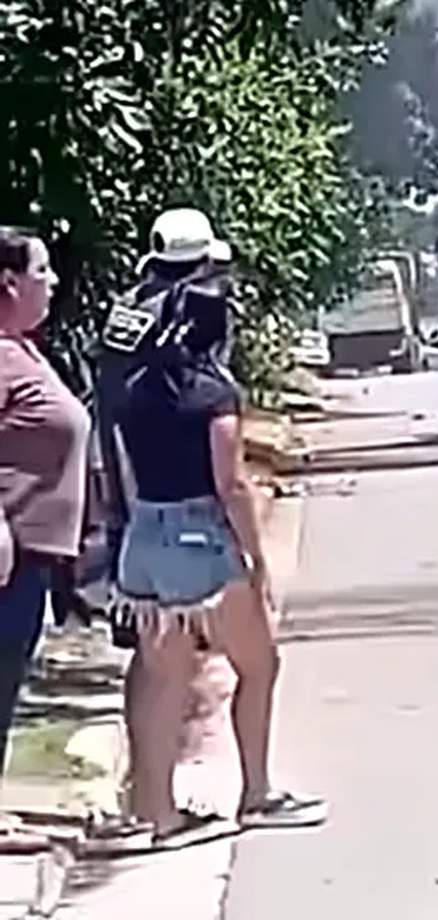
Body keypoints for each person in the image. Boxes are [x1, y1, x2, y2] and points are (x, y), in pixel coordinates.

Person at [101, 208, 324, 851]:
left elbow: (113, 461)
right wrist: (254, 559)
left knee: (161, 675)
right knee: (260, 664)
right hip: (200, 536)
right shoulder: (207, 387)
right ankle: (256, 795)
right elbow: (229, 482)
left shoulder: (129, 376)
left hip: (143, 535)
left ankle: (161, 817)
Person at [0, 227, 91, 854]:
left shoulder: (24, 351)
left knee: (7, 683)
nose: (53, 281)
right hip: (9, 555)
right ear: (8, 285)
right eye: (43, 270)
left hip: (35, 557)